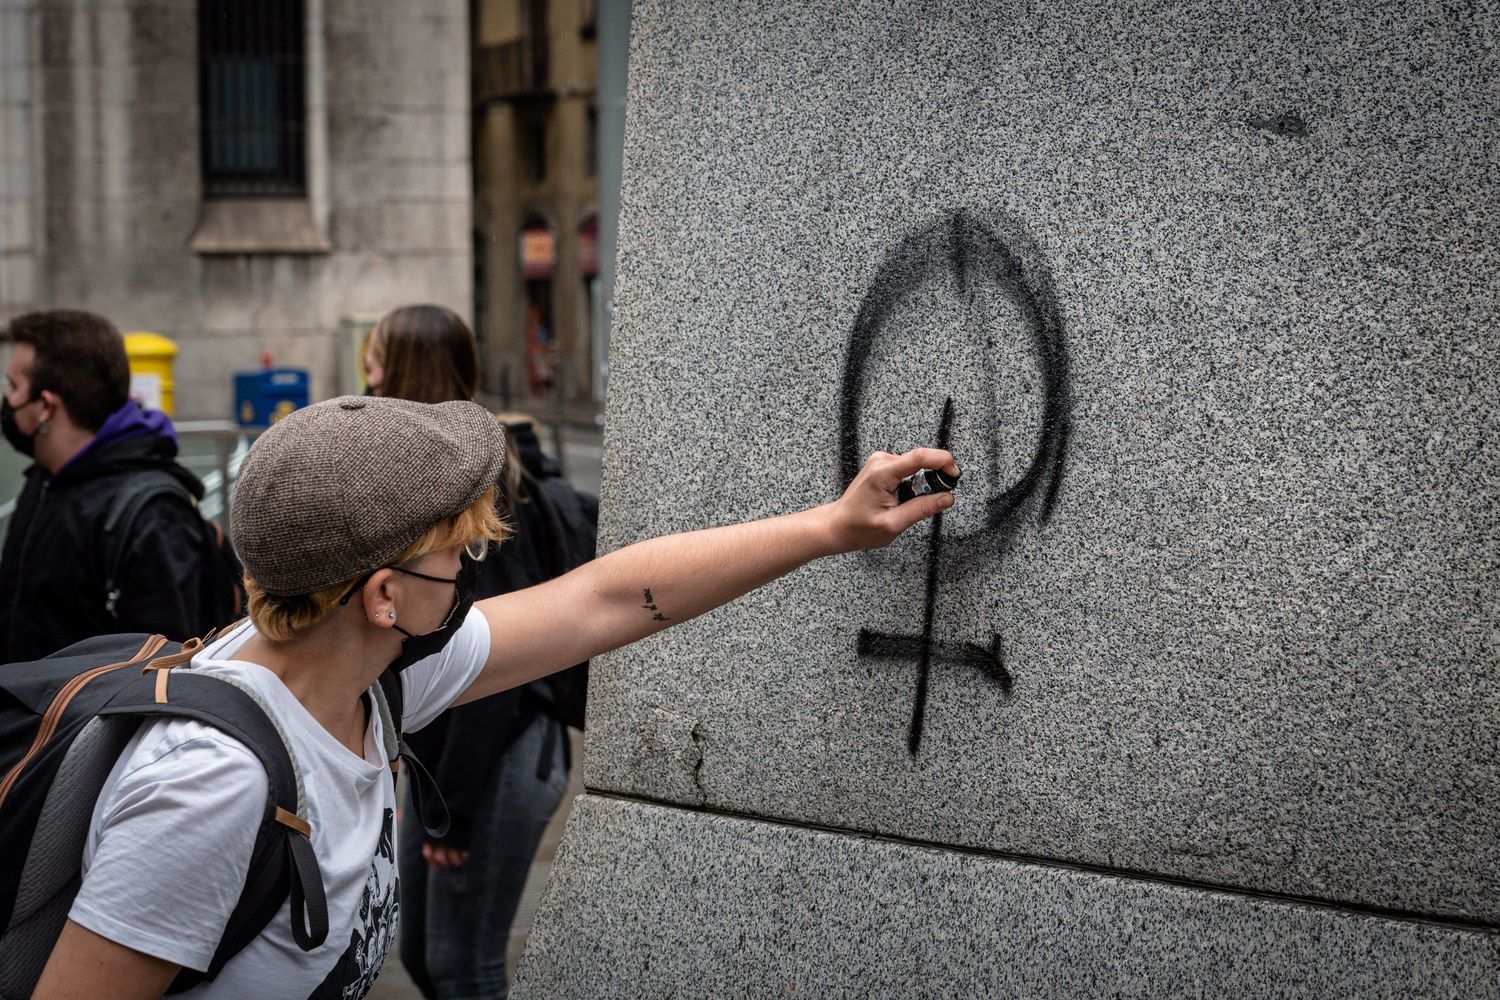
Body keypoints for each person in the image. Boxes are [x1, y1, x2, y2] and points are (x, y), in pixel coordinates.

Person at [31, 392, 958, 999]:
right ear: (383, 596)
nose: (470, 571)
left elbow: (603, 600)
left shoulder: (365, 671)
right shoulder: (209, 786)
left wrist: (832, 527)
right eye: (457, 553)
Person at [364, 303, 594, 999]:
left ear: (405, 371)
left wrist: (455, 811)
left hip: (497, 751)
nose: (366, 377)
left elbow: (493, 658)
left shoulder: (478, 487)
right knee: (422, 956)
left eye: (376, 361)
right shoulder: (427, 475)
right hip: (444, 760)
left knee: (465, 966)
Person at [0, 310, 231, 662]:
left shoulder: (154, 517)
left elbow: (162, 670)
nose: (8, 400)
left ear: (46, 406)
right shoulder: (44, 481)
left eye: (14, 387)